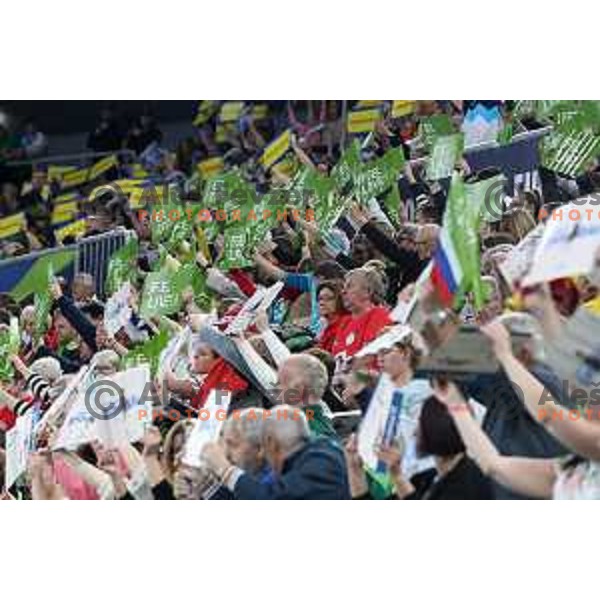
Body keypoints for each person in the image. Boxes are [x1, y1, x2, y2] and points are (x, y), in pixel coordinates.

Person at [201, 405, 350, 499]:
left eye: (232, 445)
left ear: (268, 444)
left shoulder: (321, 462)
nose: (226, 454)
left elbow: (272, 498)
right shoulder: (308, 458)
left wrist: (224, 469)